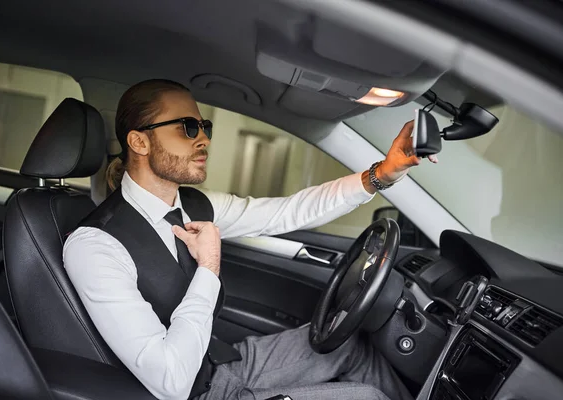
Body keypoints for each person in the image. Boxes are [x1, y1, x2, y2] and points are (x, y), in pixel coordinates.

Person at [63, 79, 437, 400]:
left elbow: (288, 211)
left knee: (353, 346)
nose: (204, 138)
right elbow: (170, 381)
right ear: (139, 142)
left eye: (204, 126)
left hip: (221, 363)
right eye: (187, 128)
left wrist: (382, 175)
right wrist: (208, 268)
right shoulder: (95, 246)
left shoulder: (196, 204)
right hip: (195, 392)